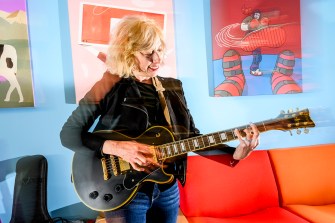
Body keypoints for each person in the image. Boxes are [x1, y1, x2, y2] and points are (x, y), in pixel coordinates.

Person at [60, 15, 260, 223]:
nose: (157, 59)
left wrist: (234, 153)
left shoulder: (173, 87)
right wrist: (116, 147)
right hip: (123, 192)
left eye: (159, 50)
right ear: (128, 53)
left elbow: (190, 137)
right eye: (148, 53)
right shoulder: (109, 84)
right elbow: (69, 134)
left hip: (167, 189)